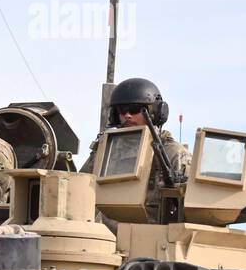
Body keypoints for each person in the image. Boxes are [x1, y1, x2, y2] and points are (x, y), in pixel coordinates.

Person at [81, 77, 191, 220]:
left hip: (155, 236)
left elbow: (190, 207)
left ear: (155, 112)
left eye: (134, 109)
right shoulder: (105, 152)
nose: (127, 115)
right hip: (107, 236)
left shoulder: (173, 153)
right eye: (122, 110)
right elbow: (81, 188)